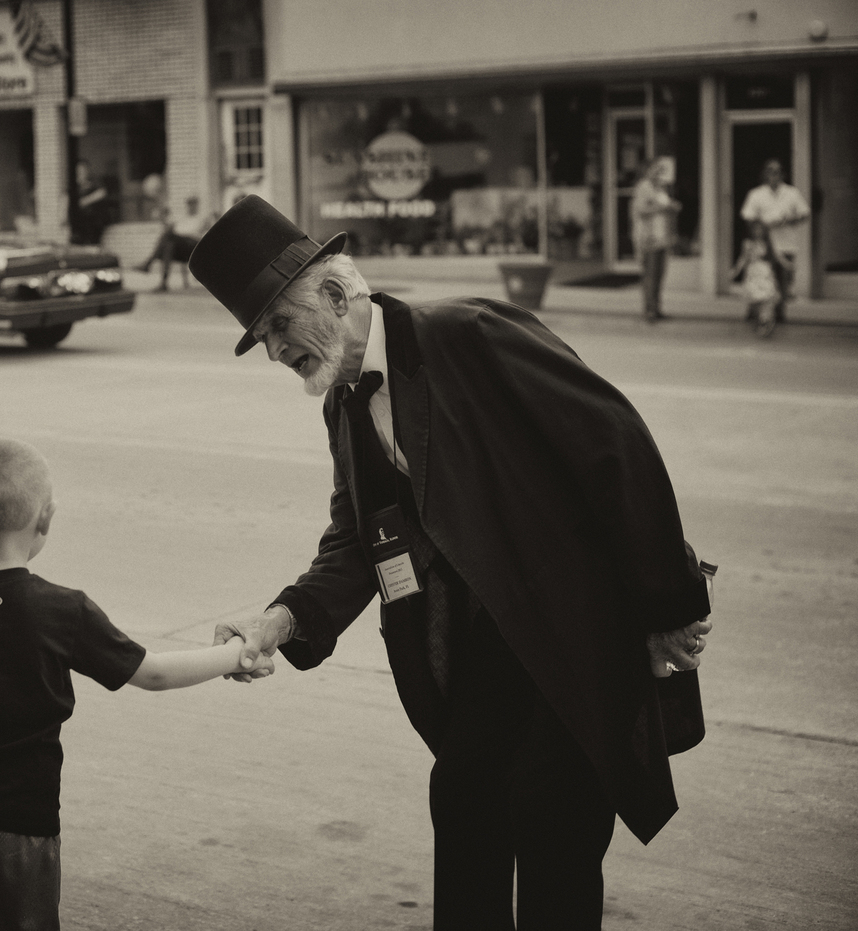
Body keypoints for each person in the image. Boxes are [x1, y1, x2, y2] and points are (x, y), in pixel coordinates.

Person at [187, 195, 715, 930]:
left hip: (568, 647)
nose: (276, 351)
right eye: (261, 336)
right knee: (464, 813)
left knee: (554, 840)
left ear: (336, 295)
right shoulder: (343, 403)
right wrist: (281, 619)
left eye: (278, 325)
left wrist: (668, 609)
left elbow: (615, 446)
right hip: (475, 662)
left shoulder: (468, 333)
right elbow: (354, 540)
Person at [0, 438, 272, 930]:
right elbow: (155, 674)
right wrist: (235, 654)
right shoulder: (63, 611)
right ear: (46, 519)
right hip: (16, 829)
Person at [740, 158, 809, 324]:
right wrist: (762, 227)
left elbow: (804, 213)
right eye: (770, 172)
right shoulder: (756, 194)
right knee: (760, 276)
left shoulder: (792, 193)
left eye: (777, 172)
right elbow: (748, 216)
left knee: (782, 278)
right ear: (765, 174)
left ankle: (779, 311)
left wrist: (787, 221)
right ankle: (754, 309)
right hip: (764, 245)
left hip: (785, 243)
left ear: (782, 174)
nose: (773, 175)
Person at [630, 156, 680, 321]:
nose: (658, 172)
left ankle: (657, 308)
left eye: (660, 169)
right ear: (647, 170)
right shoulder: (644, 186)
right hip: (649, 238)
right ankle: (649, 310)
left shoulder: (661, 188)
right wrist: (664, 207)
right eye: (655, 169)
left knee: (659, 275)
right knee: (650, 275)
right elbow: (641, 209)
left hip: (661, 237)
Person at [136, 195, 211, 291]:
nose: (191, 206)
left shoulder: (201, 218)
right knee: (169, 247)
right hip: (180, 247)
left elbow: (201, 234)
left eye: (193, 204)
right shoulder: (183, 218)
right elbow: (176, 231)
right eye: (189, 204)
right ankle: (163, 283)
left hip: (193, 246)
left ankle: (148, 263)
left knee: (168, 235)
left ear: (197, 205)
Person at [731, 219, 784, 338]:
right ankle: (762, 320)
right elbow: (743, 259)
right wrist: (735, 271)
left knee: (768, 297)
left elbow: (777, 256)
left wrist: (787, 264)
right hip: (753, 273)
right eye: (755, 230)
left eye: (760, 230)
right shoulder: (748, 243)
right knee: (755, 300)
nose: (758, 232)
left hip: (765, 272)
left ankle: (766, 320)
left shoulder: (767, 243)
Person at [69, 159, 109, 245]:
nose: (81, 173)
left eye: (83, 170)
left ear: (87, 170)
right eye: (78, 171)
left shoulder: (94, 182)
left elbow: (102, 193)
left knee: (92, 243)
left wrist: (85, 201)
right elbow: (66, 198)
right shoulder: (74, 186)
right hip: (78, 224)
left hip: (93, 222)